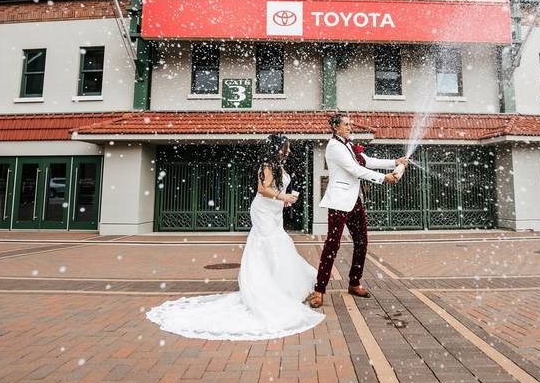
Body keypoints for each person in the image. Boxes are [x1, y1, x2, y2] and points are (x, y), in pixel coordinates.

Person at [145, 134, 324, 340]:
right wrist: (282, 196)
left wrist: (283, 200)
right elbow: (262, 189)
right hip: (263, 211)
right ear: (278, 148)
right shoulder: (267, 164)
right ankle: (268, 287)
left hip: (274, 212)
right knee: (270, 245)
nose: (290, 151)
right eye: (287, 147)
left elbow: (275, 188)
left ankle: (279, 283)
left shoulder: (278, 165)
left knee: (277, 244)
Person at [308, 113, 407, 309]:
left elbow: (367, 161)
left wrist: (394, 162)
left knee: (362, 241)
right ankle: (319, 290)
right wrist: (383, 178)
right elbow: (355, 170)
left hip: (355, 201)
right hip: (339, 202)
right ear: (336, 127)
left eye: (350, 124)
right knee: (332, 246)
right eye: (346, 124)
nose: (350, 127)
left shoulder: (350, 145)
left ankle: (354, 282)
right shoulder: (335, 146)